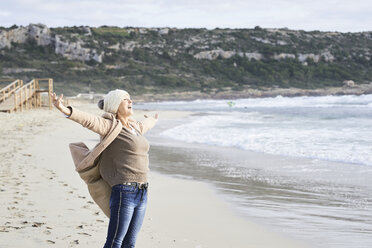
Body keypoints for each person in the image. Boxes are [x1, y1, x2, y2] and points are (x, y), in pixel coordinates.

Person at [52, 89, 158, 248]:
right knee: (115, 242)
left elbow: (144, 125)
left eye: (130, 98)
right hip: (125, 192)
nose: (130, 101)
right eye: (125, 99)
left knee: (130, 243)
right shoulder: (110, 126)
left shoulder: (134, 127)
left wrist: (152, 120)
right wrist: (65, 110)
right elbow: (89, 120)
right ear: (115, 104)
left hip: (142, 192)